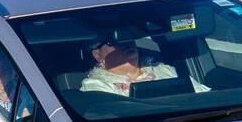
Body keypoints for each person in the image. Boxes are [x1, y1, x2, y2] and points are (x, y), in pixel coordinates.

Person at [80, 38, 209, 96]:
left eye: (129, 37)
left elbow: (202, 96)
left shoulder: (163, 69)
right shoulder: (95, 85)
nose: (126, 42)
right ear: (97, 55)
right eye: (113, 41)